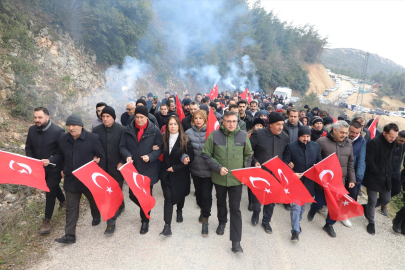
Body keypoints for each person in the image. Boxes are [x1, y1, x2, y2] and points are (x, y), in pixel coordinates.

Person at [49, 114, 106, 244]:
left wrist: (100, 173)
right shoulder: (63, 139)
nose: (70, 128)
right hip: (71, 179)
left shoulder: (93, 138)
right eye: (68, 125)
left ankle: (96, 215)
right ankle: (69, 235)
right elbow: (60, 155)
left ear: (81, 126)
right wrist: (52, 161)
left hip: (89, 178)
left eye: (73, 125)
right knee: (71, 207)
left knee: (94, 201)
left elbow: (101, 156)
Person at [202, 111, 253, 253]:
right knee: (220, 202)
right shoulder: (214, 135)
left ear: (237, 122)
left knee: (235, 208)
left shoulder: (243, 135)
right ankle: (222, 222)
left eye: (234, 121)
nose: (231, 124)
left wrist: (244, 171)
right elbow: (205, 154)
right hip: (219, 178)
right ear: (223, 121)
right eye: (228, 121)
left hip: (236, 180)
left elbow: (248, 154)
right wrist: (218, 168)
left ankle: (236, 242)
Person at [307, 121, 356, 237]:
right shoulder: (322, 142)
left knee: (335, 205)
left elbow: (350, 163)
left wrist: (352, 179)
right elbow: (313, 159)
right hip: (323, 181)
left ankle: (329, 224)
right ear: (334, 130)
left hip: (339, 182)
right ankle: (314, 209)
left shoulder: (349, 144)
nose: (344, 135)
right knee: (320, 202)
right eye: (342, 132)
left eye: (346, 132)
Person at [120, 106, 162, 235]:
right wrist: (127, 155)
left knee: (145, 195)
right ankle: (147, 206)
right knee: (132, 195)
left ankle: (145, 221)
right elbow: (122, 146)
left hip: (148, 169)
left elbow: (159, 149)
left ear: (147, 117)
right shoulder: (127, 130)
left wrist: (150, 157)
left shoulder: (155, 131)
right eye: (137, 117)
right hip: (133, 169)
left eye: (141, 117)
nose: (139, 119)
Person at [25, 107, 66, 235]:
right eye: (35, 117)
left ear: (47, 117)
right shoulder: (32, 130)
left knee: (49, 189)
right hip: (39, 168)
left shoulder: (58, 132)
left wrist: (50, 160)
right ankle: (63, 201)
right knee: (50, 187)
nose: (37, 120)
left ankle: (47, 220)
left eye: (40, 117)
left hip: (54, 167)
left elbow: (62, 152)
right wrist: (32, 162)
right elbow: (29, 147)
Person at [250, 112, 289, 233]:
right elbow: (249, 151)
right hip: (260, 172)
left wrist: (288, 164)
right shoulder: (259, 134)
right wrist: (255, 162)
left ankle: (266, 221)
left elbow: (286, 155)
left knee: (271, 199)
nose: (280, 127)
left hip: (275, 174)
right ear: (270, 124)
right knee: (257, 196)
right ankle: (256, 213)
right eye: (278, 124)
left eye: (282, 124)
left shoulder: (285, 137)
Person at [283, 126, 322, 241]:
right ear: (299, 137)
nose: (305, 139)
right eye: (303, 136)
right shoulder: (291, 146)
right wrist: (292, 172)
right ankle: (295, 231)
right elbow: (285, 164)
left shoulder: (315, 146)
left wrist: (317, 167)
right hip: (296, 181)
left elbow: (319, 161)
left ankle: (298, 221)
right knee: (296, 206)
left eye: (308, 136)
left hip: (309, 182)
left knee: (302, 206)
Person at [93, 106, 126, 235]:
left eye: (108, 117)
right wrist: (94, 157)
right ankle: (111, 222)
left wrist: (122, 161)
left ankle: (112, 219)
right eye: (103, 117)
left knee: (115, 192)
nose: (105, 119)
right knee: (108, 195)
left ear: (113, 117)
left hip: (117, 167)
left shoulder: (122, 130)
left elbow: (125, 147)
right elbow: (92, 147)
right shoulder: (96, 130)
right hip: (102, 168)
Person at [159, 116, 194, 236]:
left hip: (180, 174)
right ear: (167, 126)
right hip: (166, 174)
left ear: (179, 125)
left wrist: (176, 167)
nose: (173, 126)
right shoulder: (163, 138)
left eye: (175, 124)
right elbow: (159, 152)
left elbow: (191, 157)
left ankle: (179, 210)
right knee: (168, 198)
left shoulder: (185, 139)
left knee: (180, 195)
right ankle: (167, 226)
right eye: (170, 124)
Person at [362, 123, 399, 235]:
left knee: (386, 199)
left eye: (395, 137)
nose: (393, 139)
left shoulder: (393, 143)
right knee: (372, 201)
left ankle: (366, 208)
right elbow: (369, 160)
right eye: (391, 136)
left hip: (386, 177)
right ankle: (371, 222)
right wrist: (377, 171)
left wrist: (391, 168)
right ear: (384, 133)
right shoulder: (374, 142)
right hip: (373, 177)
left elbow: (392, 157)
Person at [185, 110, 213, 236]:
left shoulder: (212, 132)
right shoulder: (188, 133)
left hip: (209, 170)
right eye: (195, 118)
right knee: (199, 196)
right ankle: (202, 209)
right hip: (195, 170)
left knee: (207, 195)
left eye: (200, 118)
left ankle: (206, 220)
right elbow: (183, 150)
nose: (198, 120)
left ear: (205, 119)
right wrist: (184, 157)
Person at [380, 131, 405, 215]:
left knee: (397, 190)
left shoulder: (403, 145)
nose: (402, 143)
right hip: (387, 170)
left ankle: (382, 200)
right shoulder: (390, 143)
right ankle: (384, 204)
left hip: (397, 171)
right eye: (401, 140)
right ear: (397, 137)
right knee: (387, 187)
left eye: (404, 141)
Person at [348, 120, 366, 202]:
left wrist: (359, 178)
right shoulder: (342, 136)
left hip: (352, 173)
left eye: (356, 133)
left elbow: (361, 160)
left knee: (351, 196)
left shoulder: (362, 141)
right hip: (340, 171)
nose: (354, 135)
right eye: (352, 132)